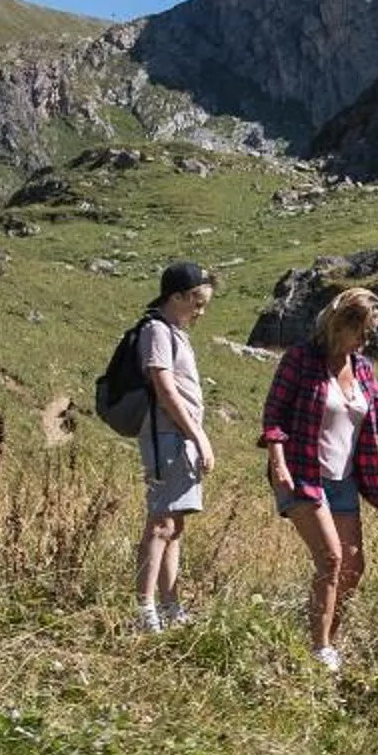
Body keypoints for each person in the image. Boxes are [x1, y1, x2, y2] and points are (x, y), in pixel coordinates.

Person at [258, 287, 378, 673]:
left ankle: (326, 635)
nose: (368, 339)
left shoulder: (362, 368)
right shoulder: (301, 359)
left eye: (372, 331)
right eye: (363, 330)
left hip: (344, 481)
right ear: (340, 323)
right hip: (302, 474)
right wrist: (277, 461)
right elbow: (274, 415)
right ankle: (319, 651)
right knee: (331, 559)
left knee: (353, 567)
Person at [132, 261, 218, 634]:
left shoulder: (176, 333)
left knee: (175, 524)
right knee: (161, 523)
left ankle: (170, 605)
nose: (200, 311)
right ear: (176, 296)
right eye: (196, 302)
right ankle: (146, 608)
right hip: (167, 437)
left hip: (180, 439)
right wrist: (198, 434)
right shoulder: (156, 331)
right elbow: (164, 388)